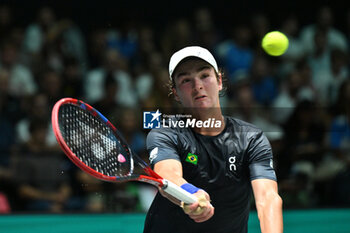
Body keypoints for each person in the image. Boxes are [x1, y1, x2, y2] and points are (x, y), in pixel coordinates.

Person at [143, 46, 283, 233]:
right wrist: (192, 194)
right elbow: (168, 176)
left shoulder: (251, 139)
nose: (197, 86)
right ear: (175, 93)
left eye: (204, 76)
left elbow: (268, 198)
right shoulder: (165, 133)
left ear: (219, 81)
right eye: (186, 80)